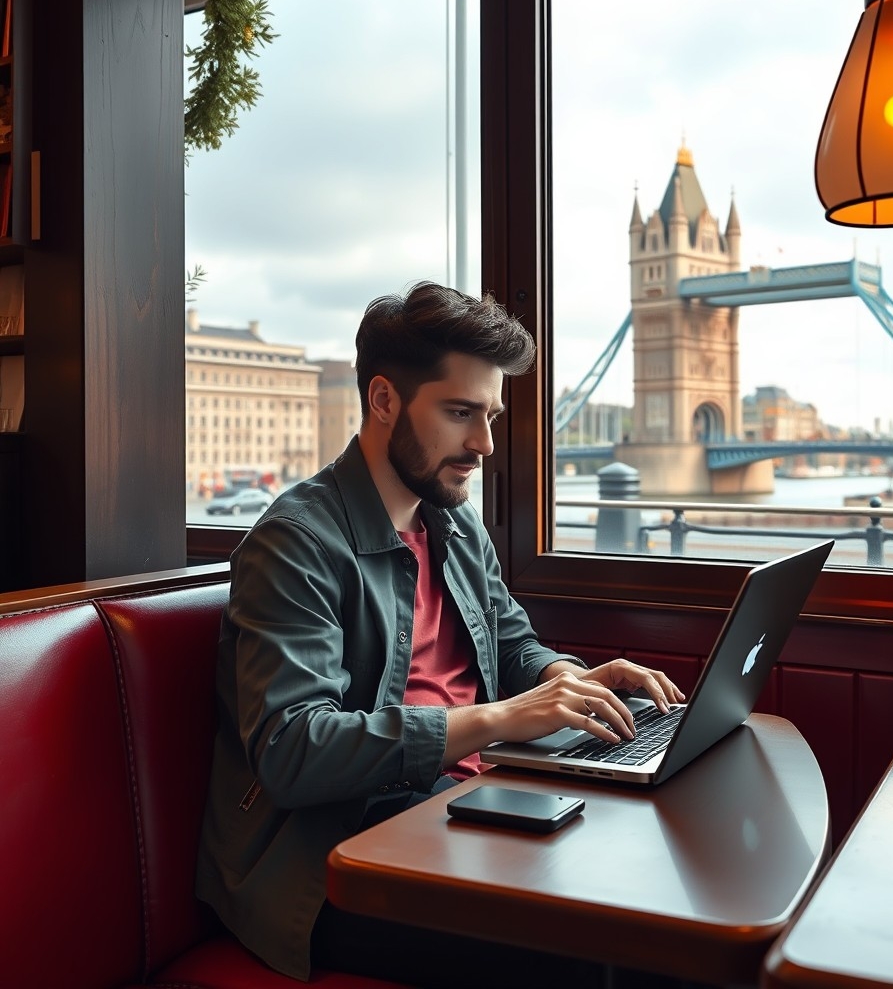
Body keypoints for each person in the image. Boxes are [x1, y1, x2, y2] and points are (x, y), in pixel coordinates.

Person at [195, 282, 686, 987]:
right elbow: (293, 750)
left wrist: (564, 680)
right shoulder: (295, 544)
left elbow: (512, 643)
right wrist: (497, 720)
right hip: (333, 864)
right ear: (385, 400)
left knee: (652, 910)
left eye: (489, 415)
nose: (485, 444)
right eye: (460, 413)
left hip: (458, 809)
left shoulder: (452, 521)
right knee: (605, 954)